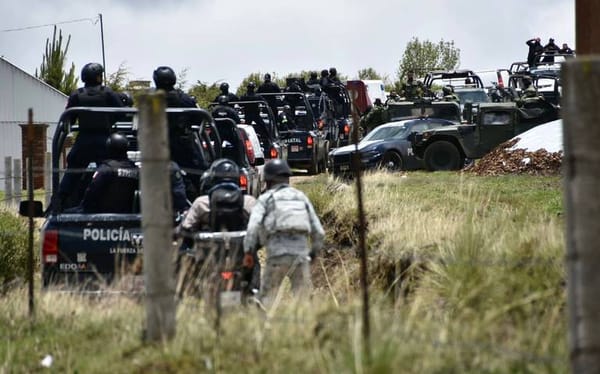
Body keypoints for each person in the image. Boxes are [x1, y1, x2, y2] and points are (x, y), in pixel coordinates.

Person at [243, 159, 325, 306]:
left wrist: (249, 251)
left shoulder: (266, 198)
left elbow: (253, 227)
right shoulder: (301, 197)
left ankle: (267, 327)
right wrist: (312, 254)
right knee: (304, 302)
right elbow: (318, 232)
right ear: (288, 178)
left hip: (276, 253)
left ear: (267, 181)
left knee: (266, 302)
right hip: (301, 255)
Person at [178, 159, 260, 290]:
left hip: (209, 257)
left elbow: (186, 228)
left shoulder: (201, 203)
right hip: (240, 256)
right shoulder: (248, 202)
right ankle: (254, 291)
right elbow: (260, 228)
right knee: (253, 262)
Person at [58, 62, 124, 209]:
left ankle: (59, 201)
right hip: (104, 140)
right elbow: (121, 112)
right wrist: (109, 121)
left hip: (84, 140)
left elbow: (69, 117)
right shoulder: (108, 93)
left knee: (73, 169)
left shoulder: (77, 94)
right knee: (110, 170)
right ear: (98, 77)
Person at [153, 66, 204, 200]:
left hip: (157, 147)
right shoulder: (185, 99)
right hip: (183, 145)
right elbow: (198, 120)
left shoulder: (151, 101)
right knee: (201, 174)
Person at [74, 133, 139, 213]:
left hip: (104, 218)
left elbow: (92, 192)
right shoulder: (135, 169)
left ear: (110, 148)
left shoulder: (106, 169)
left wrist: (83, 208)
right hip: (128, 217)